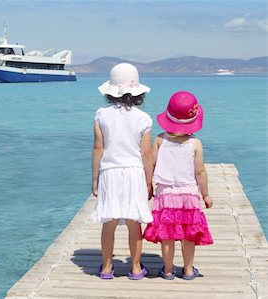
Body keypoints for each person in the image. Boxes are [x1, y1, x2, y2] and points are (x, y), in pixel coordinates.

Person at [91, 63, 154, 280]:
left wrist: (95, 178)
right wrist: (149, 180)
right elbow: (146, 154)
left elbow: (99, 148)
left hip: (109, 172)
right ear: (137, 93)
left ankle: (107, 268)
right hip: (134, 173)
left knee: (109, 222)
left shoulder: (101, 115)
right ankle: (136, 268)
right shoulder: (143, 118)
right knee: (134, 222)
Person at [143, 91, 213, 280]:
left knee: (167, 234)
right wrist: (205, 194)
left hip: (165, 195)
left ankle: (167, 270)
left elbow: (151, 163)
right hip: (189, 196)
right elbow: (200, 172)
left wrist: (148, 185)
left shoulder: (159, 140)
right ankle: (188, 270)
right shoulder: (195, 143)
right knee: (188, 235)